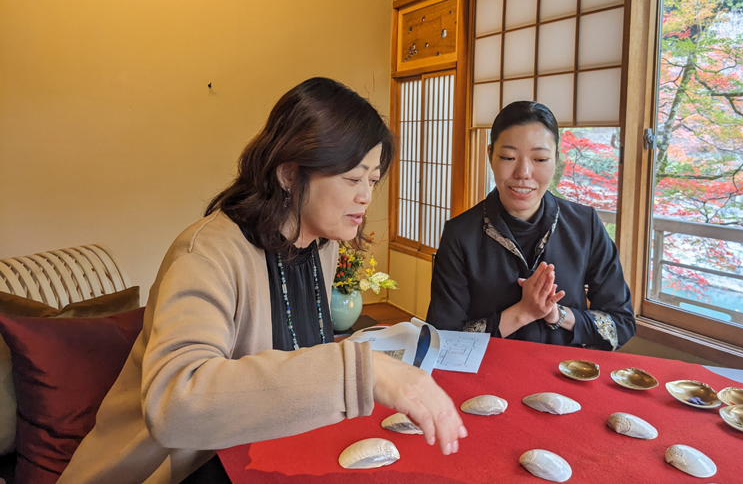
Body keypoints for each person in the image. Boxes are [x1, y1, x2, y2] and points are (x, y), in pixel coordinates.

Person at [59, 78, 466, 484]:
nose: (366, 197)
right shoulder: (207, 253)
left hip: (256, 453)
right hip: (174, 470)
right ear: (289, 173)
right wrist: (361, 371)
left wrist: (369, 350)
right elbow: (174, 403)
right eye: (352, 179)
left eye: (373, 181)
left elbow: (284, 351)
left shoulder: (320, 246)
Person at [426, 101, 635, 350]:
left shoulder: (584, 225)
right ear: (490, 155)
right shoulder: (460, 234)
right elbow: (443, 338)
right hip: (488, 377)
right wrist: (522, 313)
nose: (524, 172)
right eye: (508, 157)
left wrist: (557, 314)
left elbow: (621, 324)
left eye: (540, 158)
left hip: (564, 376)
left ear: (556, 159)